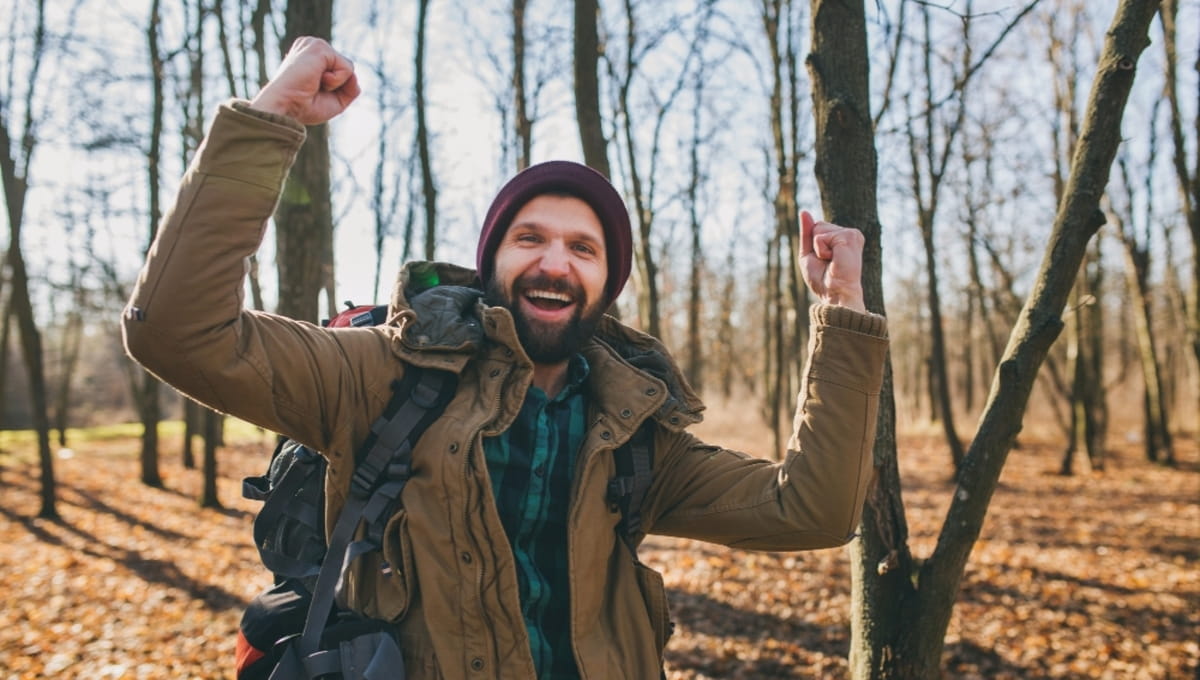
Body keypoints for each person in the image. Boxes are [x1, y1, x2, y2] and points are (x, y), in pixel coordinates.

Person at [123, 37, 888, 680]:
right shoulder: (378, 377)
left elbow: (812, 509)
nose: (555, 263)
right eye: (530, 239)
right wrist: (272, 119)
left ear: (605, 284)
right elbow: (178, 331)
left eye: (582, 249)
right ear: (491, 265)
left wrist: (842, 311)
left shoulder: (636, 438)